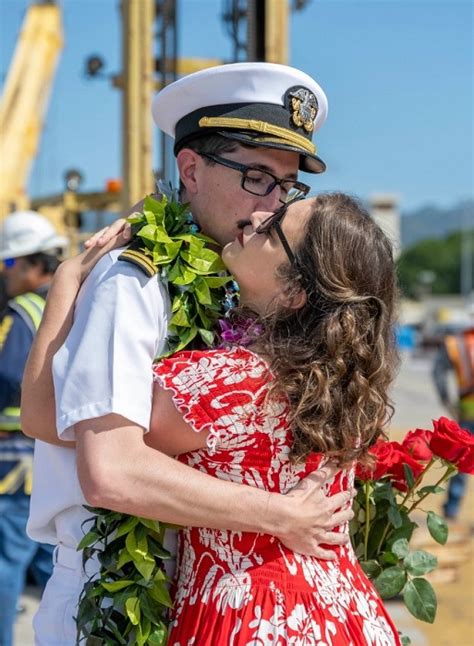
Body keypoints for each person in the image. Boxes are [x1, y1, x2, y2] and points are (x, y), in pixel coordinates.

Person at [22, 63, 354, 644]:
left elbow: (46, 415)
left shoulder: (233, 278)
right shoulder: (134, 280)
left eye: (287, 186)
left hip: (199, 590)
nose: (272, 204)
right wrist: (281, 515)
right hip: (115, 600)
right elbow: (111, 469)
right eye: (256, 176)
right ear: (191, 169)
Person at [27, 193, 401, 644]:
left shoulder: (231, 382)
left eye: (276, 225)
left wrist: (69, 276)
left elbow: (51, 419)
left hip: (254, 614)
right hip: (341, 610)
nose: (258, 214)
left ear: (294, 291)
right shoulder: (338, 384)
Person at [0, 210, 67, 646]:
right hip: (53, 453)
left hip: (15, 454)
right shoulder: (63, 306)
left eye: (8, 264)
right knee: (52, 555)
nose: (4, 273)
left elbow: (8, 379)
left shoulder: (23, 311)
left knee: (6, 559)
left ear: (30, 264)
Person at [432, 305, 474, 519]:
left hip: (467, 411)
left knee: (462, 462)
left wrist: (447, 401)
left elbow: (438, 373)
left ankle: (452, 509)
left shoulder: (458, 343)